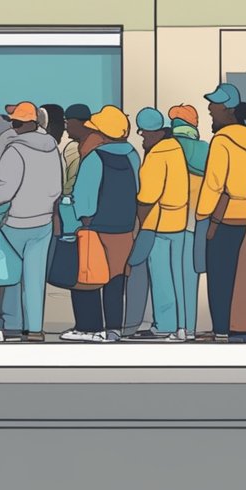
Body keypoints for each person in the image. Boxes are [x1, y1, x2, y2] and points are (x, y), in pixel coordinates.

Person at [0, 102, 62, 343]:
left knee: (10, 275)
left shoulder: (15, 150)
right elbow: (56, 187)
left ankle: (12, 324)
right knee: (35, 278)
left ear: (29, 123)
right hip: (43, 222)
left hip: (15, 221)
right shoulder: (52, 148)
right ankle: (35, 328)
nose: (13, 127)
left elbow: (1, 190)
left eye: (16, 122)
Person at [196, 83, 246, 344]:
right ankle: (242, 328)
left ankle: (221, 331)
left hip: (222, 217)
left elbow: (214, 183)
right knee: (244, 277)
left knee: (219, 276)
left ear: (228, 110)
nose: (210, 109)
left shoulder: (221, 141)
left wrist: (201, 213)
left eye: (214, 106)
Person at [65, 106, 139, 343]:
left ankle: (88, 328)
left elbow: (84, 196)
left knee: (86, 276)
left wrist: (81, 219)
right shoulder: (132, 155)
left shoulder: (94, 157)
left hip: (97, 227)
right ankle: (113, 328)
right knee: (116, 279)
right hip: (125, 228)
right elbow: (138, 189)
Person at [128, 107, 189, 343]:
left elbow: (147, 196)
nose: (142, 137)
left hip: (158, 223)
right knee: (178, 276)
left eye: (144, 133)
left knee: (162, 276)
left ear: (154, 133)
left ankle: (166, 325)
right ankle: (181, 325)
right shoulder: (176, 150)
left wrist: (139, 221)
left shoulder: (156, 155)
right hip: (179, 221)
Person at [168, 104, 208, 341]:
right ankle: (190, 328)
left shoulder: (169, 148)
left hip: (173, 220)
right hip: (199, 220)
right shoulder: (206, 149)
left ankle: (178, 328)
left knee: (172, 277)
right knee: (191, 276)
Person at [63, 104, 93, 196]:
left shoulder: (74, 148)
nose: (65, 128)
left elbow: (69, 184)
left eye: (67, 123)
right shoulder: (96, 142)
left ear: (75, 122)